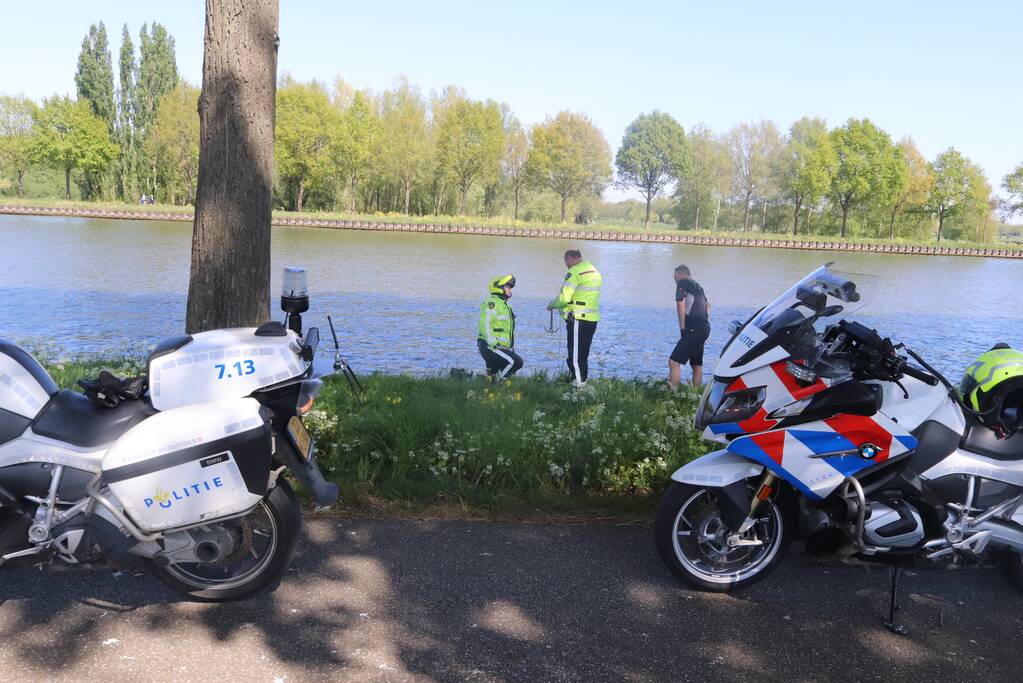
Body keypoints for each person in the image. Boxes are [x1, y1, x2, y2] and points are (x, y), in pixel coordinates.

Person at [547, 249, 601, 386]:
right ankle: (581, 380)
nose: (566, 265)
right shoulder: (594, 271)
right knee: (583, 353)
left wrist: (552, 305)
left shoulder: (575, 272)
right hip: (592, 319)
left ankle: (578, 387)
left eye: (566, 262)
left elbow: (564, 298)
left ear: (570, 258)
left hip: (578, 319)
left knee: (575, 356)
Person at [669, 264, 711, 387]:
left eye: (675, 276)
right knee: (696, 365)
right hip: (704, 328)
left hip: (693, 329)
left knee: (674, 361)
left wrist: (682, 326)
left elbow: (680, 303)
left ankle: (672, 395)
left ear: (681, 274)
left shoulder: (682, 283)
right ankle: (695, 395)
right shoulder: (698, 286)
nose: (674, 279)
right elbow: (708, 306)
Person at [477, 274, 523, 379]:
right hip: (490, 345)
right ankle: (500, 385)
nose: (510, 290)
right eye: (507, 287)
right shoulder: (492, 303)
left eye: (510, 287)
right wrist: (494, 344)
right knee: (516, 362)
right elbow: (485, 324)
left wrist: (508, 348)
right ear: (498, 287)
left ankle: (490, 386)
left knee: (493, 374)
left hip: (500, 347)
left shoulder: (504, 304)